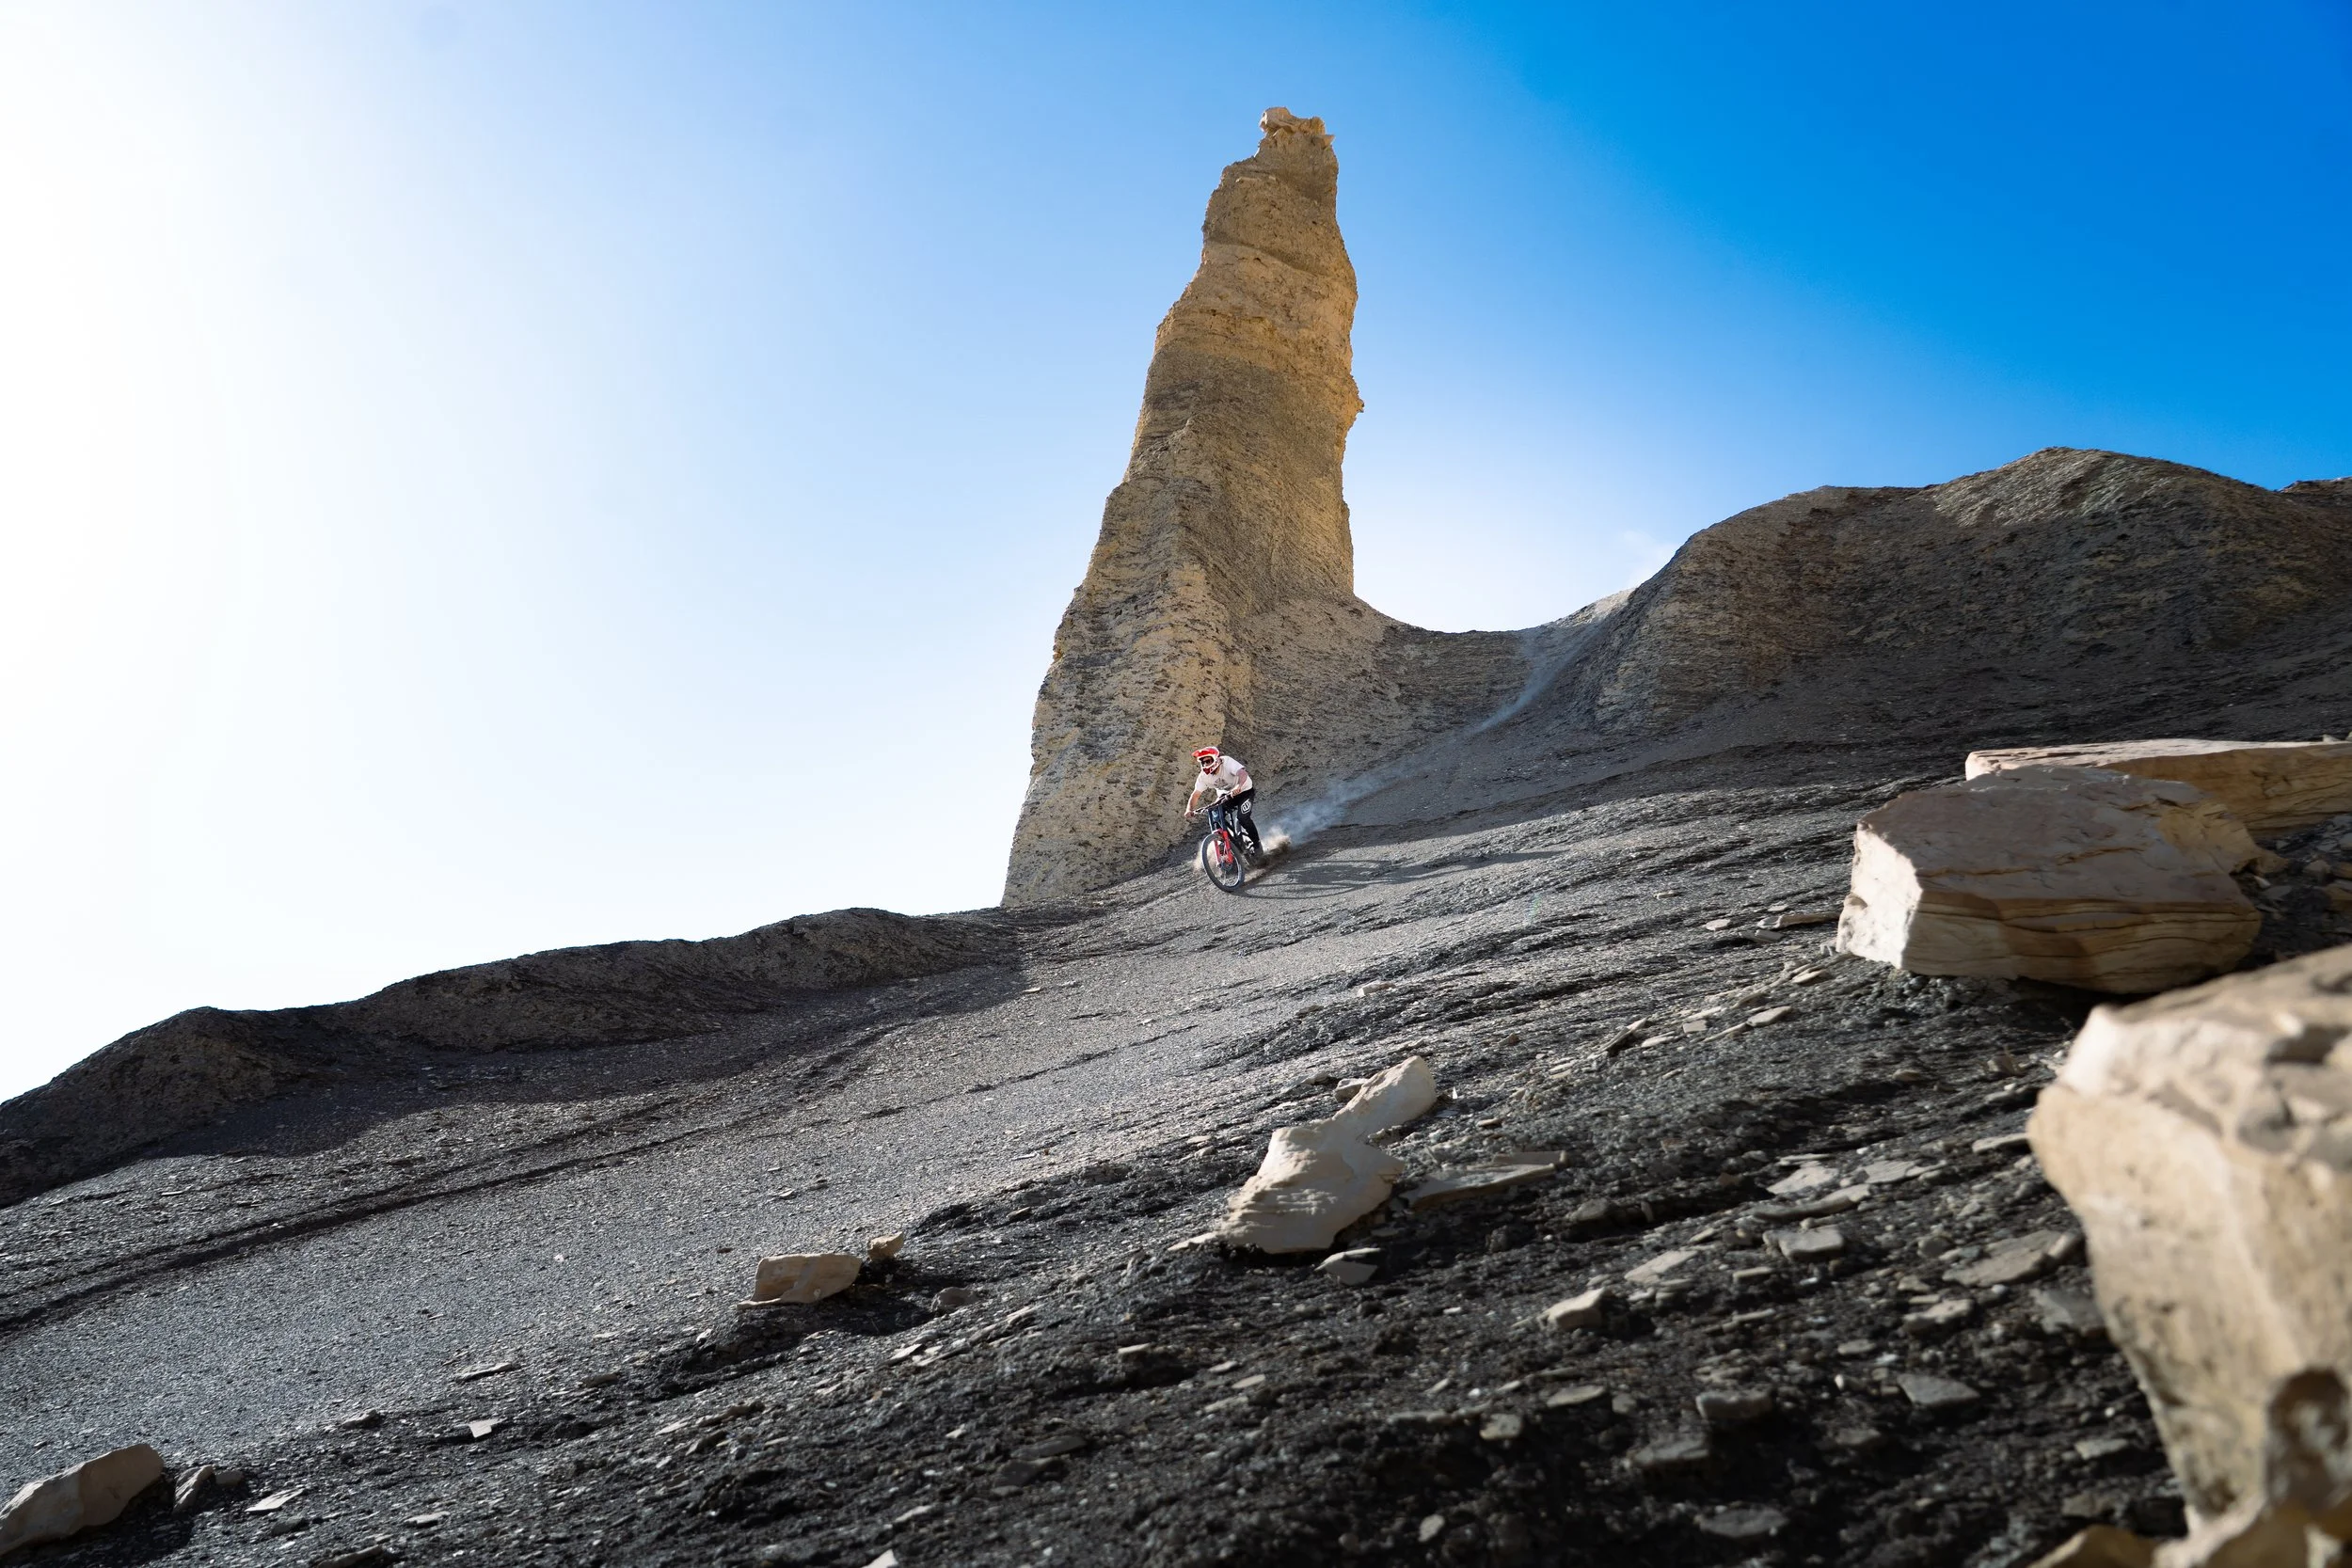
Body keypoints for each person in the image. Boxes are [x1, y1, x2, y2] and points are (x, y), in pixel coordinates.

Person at [1183, 745, 1263, 857]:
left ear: (1215, 758)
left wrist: (1238, 787)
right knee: (1216, 815)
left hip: (1244, 792)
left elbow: (1242, 773)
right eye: (1203, 762)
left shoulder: (1227, 762)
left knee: (1243, 817)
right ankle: (1224, 843)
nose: (1205, 764)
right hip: (1225, 796)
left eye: (1208, 761)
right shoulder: (1203, 777)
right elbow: (1195, 795)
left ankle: (1257, 844)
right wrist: (1189, 809)